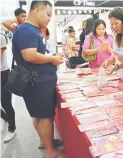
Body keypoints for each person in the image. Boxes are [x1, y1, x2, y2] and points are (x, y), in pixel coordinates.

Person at [12, 1, 65, 158]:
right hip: (37, 82)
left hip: (40, 81)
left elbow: (39, 52)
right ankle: (50, 151)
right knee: (46, 117)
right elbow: (30, 55)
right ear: (36, 11)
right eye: (48, 14)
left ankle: (45, 142)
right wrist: (52, 59)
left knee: (39, 115)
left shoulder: (34, 30)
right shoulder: (26, 30)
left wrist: (52, 57)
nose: (49, 18)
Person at [0, 31, 16, 142]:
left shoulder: (1, 37)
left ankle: (12, 129)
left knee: (5, 102)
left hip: (3, 73)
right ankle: (5, 117)